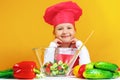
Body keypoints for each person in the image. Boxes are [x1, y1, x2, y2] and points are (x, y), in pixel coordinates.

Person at [43, 1, 91, 66]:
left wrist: (80, 45)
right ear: (54, 32)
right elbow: (46, 67)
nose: (65, 32)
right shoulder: (53, 48)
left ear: (74, 30)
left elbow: (86, 66)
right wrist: (52, 47)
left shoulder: (78, 48)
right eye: (60, 29)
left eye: (69, 28)